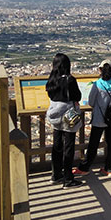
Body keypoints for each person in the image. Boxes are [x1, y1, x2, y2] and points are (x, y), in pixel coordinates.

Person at [77, 59, 111, 177]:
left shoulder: (97, 84)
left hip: (99, 118)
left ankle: (85, 167)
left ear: (100, 70)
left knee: (93, 144)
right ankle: (109, 168)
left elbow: (91, 102)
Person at [45, 53, 84, 189]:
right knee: (69, 146)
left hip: (55, 115)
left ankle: (56, 174)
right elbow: (77, 96)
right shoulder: (70, 80)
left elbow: (50, 94)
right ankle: (68, 179)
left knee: (57, 145)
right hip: (68, 116)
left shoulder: (51, 80)